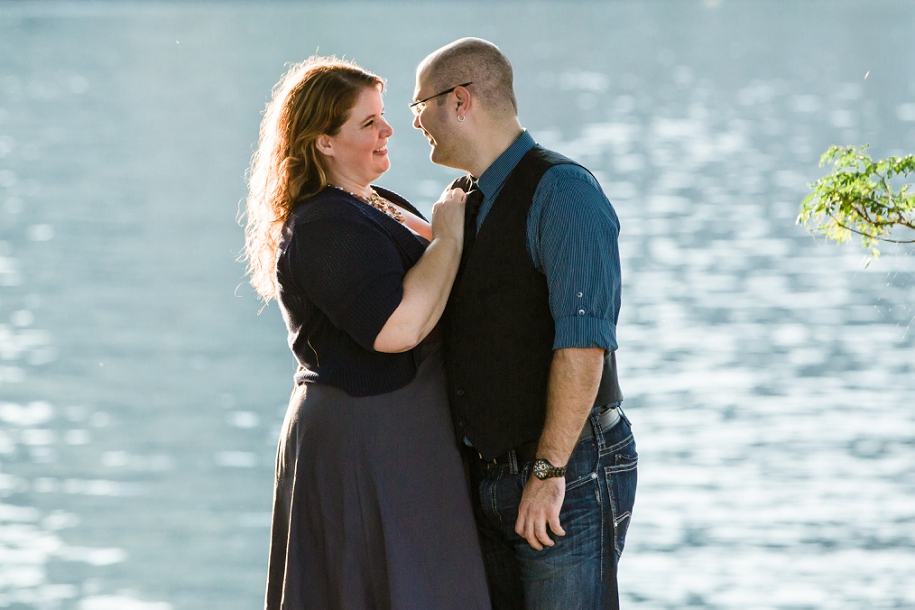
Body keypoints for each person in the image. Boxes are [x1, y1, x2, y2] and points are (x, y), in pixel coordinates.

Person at [243, 56, 490, 610]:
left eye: (383, 116)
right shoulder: (323, 223)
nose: (388, 130)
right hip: (366, 436)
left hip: (404, 428)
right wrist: (448, 239)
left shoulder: (377, 202)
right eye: (368, 122)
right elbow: (395, 328)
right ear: (323, 142)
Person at [411, 38, 638, 609]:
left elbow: (585, 347)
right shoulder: (466, 200)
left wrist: (547, 471)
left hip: (568, 471)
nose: (415, 124)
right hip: (494, 477)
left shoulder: (563, 191)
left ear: (460, 100)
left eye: (420, 109)